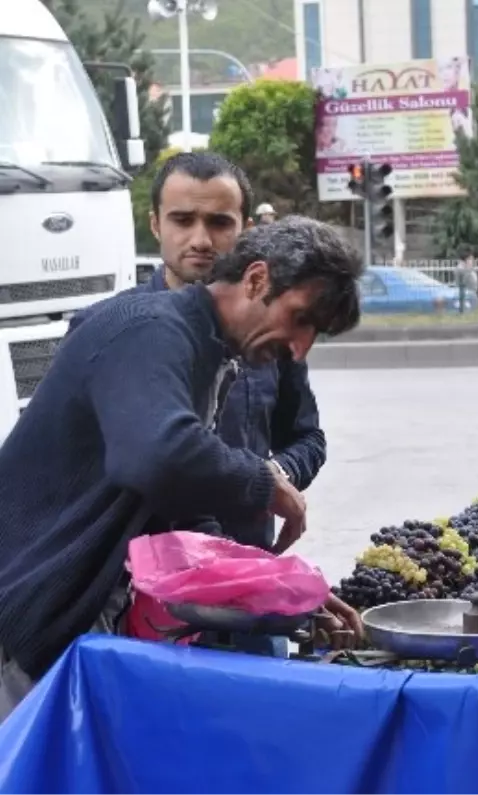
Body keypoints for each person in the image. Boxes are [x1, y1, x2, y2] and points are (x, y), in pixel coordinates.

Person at [0, 215, 365, 724]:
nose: (300, 348)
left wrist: (278, 586)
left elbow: (182, 513)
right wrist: (265, 482)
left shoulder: (208, 354)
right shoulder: (151, 330)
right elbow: (155, 454)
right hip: (21, 618)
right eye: (300, 318)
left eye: (314, 334)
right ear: (256, 279)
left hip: (71, 616)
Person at [69, 152, 327, 656]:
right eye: (183, 220)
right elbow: (123, 466)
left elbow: (308, 438)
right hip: (140, 605)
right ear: (155, 225)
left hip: (248, 595)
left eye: (219, 222)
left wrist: (275, 475)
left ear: (247, 231)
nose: (202, 240)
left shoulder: (267, 337)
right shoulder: (111, 329)